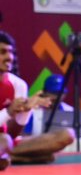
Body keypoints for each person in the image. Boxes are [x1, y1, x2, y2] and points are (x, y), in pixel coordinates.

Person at [0, 31, 75, 165]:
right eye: (2, 52)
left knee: (67, 135)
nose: (9, 57)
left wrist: (26, 110)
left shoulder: (19, 85)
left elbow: (13, 134)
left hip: (8, 143)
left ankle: (8, 157)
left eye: (10, 52)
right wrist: (8, 112)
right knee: (5, 140)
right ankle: (11, 157)